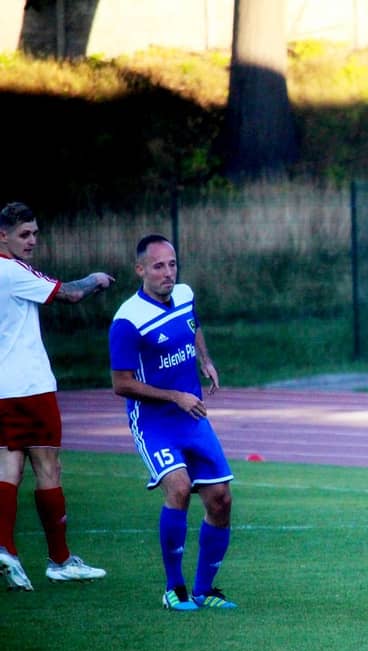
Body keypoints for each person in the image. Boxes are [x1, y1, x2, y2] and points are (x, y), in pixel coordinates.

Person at [109, 234, 237, 611]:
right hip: (154, 423)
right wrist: (175, 396)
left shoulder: (184, 294)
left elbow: (193, 326)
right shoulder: (128, 321)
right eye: (158, 266)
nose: (168, 273)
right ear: (140, 270)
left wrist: (205, 360)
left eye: (172, 264)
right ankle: (173, 588)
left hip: (192, 418)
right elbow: (121, 384)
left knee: (221, 499)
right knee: (179, 489)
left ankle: (204, 590)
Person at [0, 201, 113, 591]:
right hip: (31, 386)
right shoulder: (13, 270)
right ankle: (60, 560)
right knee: (49, 468)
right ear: (2, 236)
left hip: (2, 389)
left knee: (8, 467)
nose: (32, 241)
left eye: (35, 233)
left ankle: (6, 550)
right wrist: (95, 279)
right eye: (24, 234)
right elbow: (69, 294)